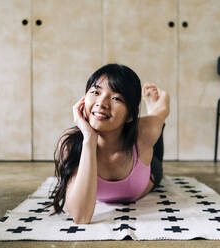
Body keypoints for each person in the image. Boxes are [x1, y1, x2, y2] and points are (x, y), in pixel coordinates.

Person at [47, 64, 170, 224]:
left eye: (116, 98)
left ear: (130, 115)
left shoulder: (146, 130)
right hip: (107, 143)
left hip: (146, 164)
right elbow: (81, 217)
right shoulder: (70, 142)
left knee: (155, 129)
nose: (101, 103)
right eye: (95, 92)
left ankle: (149, 106)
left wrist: (161, 100)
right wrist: (89, 139)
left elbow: (161, 112)